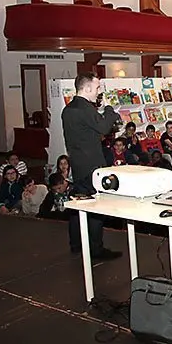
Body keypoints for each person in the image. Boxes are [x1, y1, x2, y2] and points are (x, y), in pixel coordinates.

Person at [61, 72, 122, 259]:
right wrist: (110, 109)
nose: (98, 92)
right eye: (97, 88)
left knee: (77, 205)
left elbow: (86, 132)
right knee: (95, 207)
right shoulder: (85, 108)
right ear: (87, 88)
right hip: (92, 166)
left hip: (78, 163)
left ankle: (76, 244)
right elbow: (104, 127)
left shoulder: (68, 109)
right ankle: (96, 249)